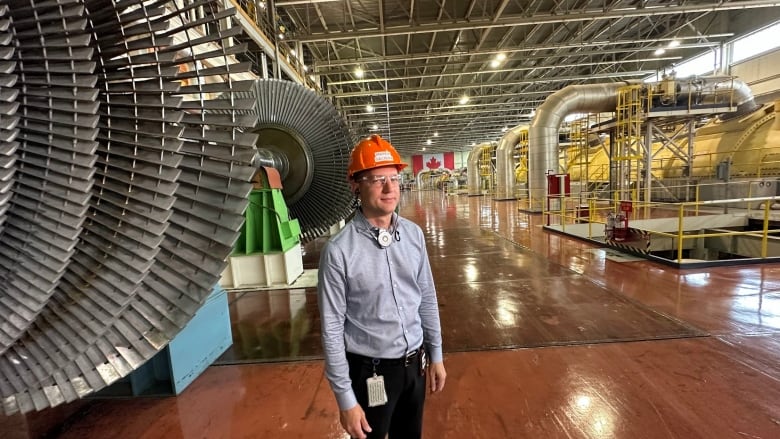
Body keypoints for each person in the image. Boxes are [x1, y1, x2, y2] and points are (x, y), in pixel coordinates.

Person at [318, 134, 447, 439]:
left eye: (394, 177)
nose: (390, 188)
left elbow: (426, 297)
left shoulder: (414, 235)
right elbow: (332, 329)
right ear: (355, 185)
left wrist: (436, 354)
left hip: (415, 366)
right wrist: (345, 399)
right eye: (377, 179)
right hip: (371, 373)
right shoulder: (339, 251)